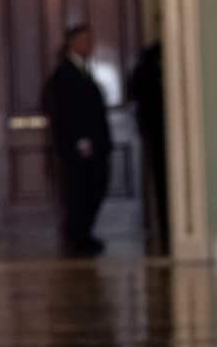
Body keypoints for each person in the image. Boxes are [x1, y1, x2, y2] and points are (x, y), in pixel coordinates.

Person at [44, 24, 112, 256]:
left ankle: (83, 235)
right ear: (72, 42)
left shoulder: (82, 69)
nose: (89, 45)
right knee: (80, 192)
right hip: (80, 148)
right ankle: (78, 238)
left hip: (93, 145)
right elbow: (69, 112)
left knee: (93, 189)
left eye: (90, 40)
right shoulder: (65, 73)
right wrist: (82, 141)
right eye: (84, 40)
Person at [127, 39, 167, 253]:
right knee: (161, 182)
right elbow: (134, 92)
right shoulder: (147, 65)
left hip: (163, 132)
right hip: (156, 133)